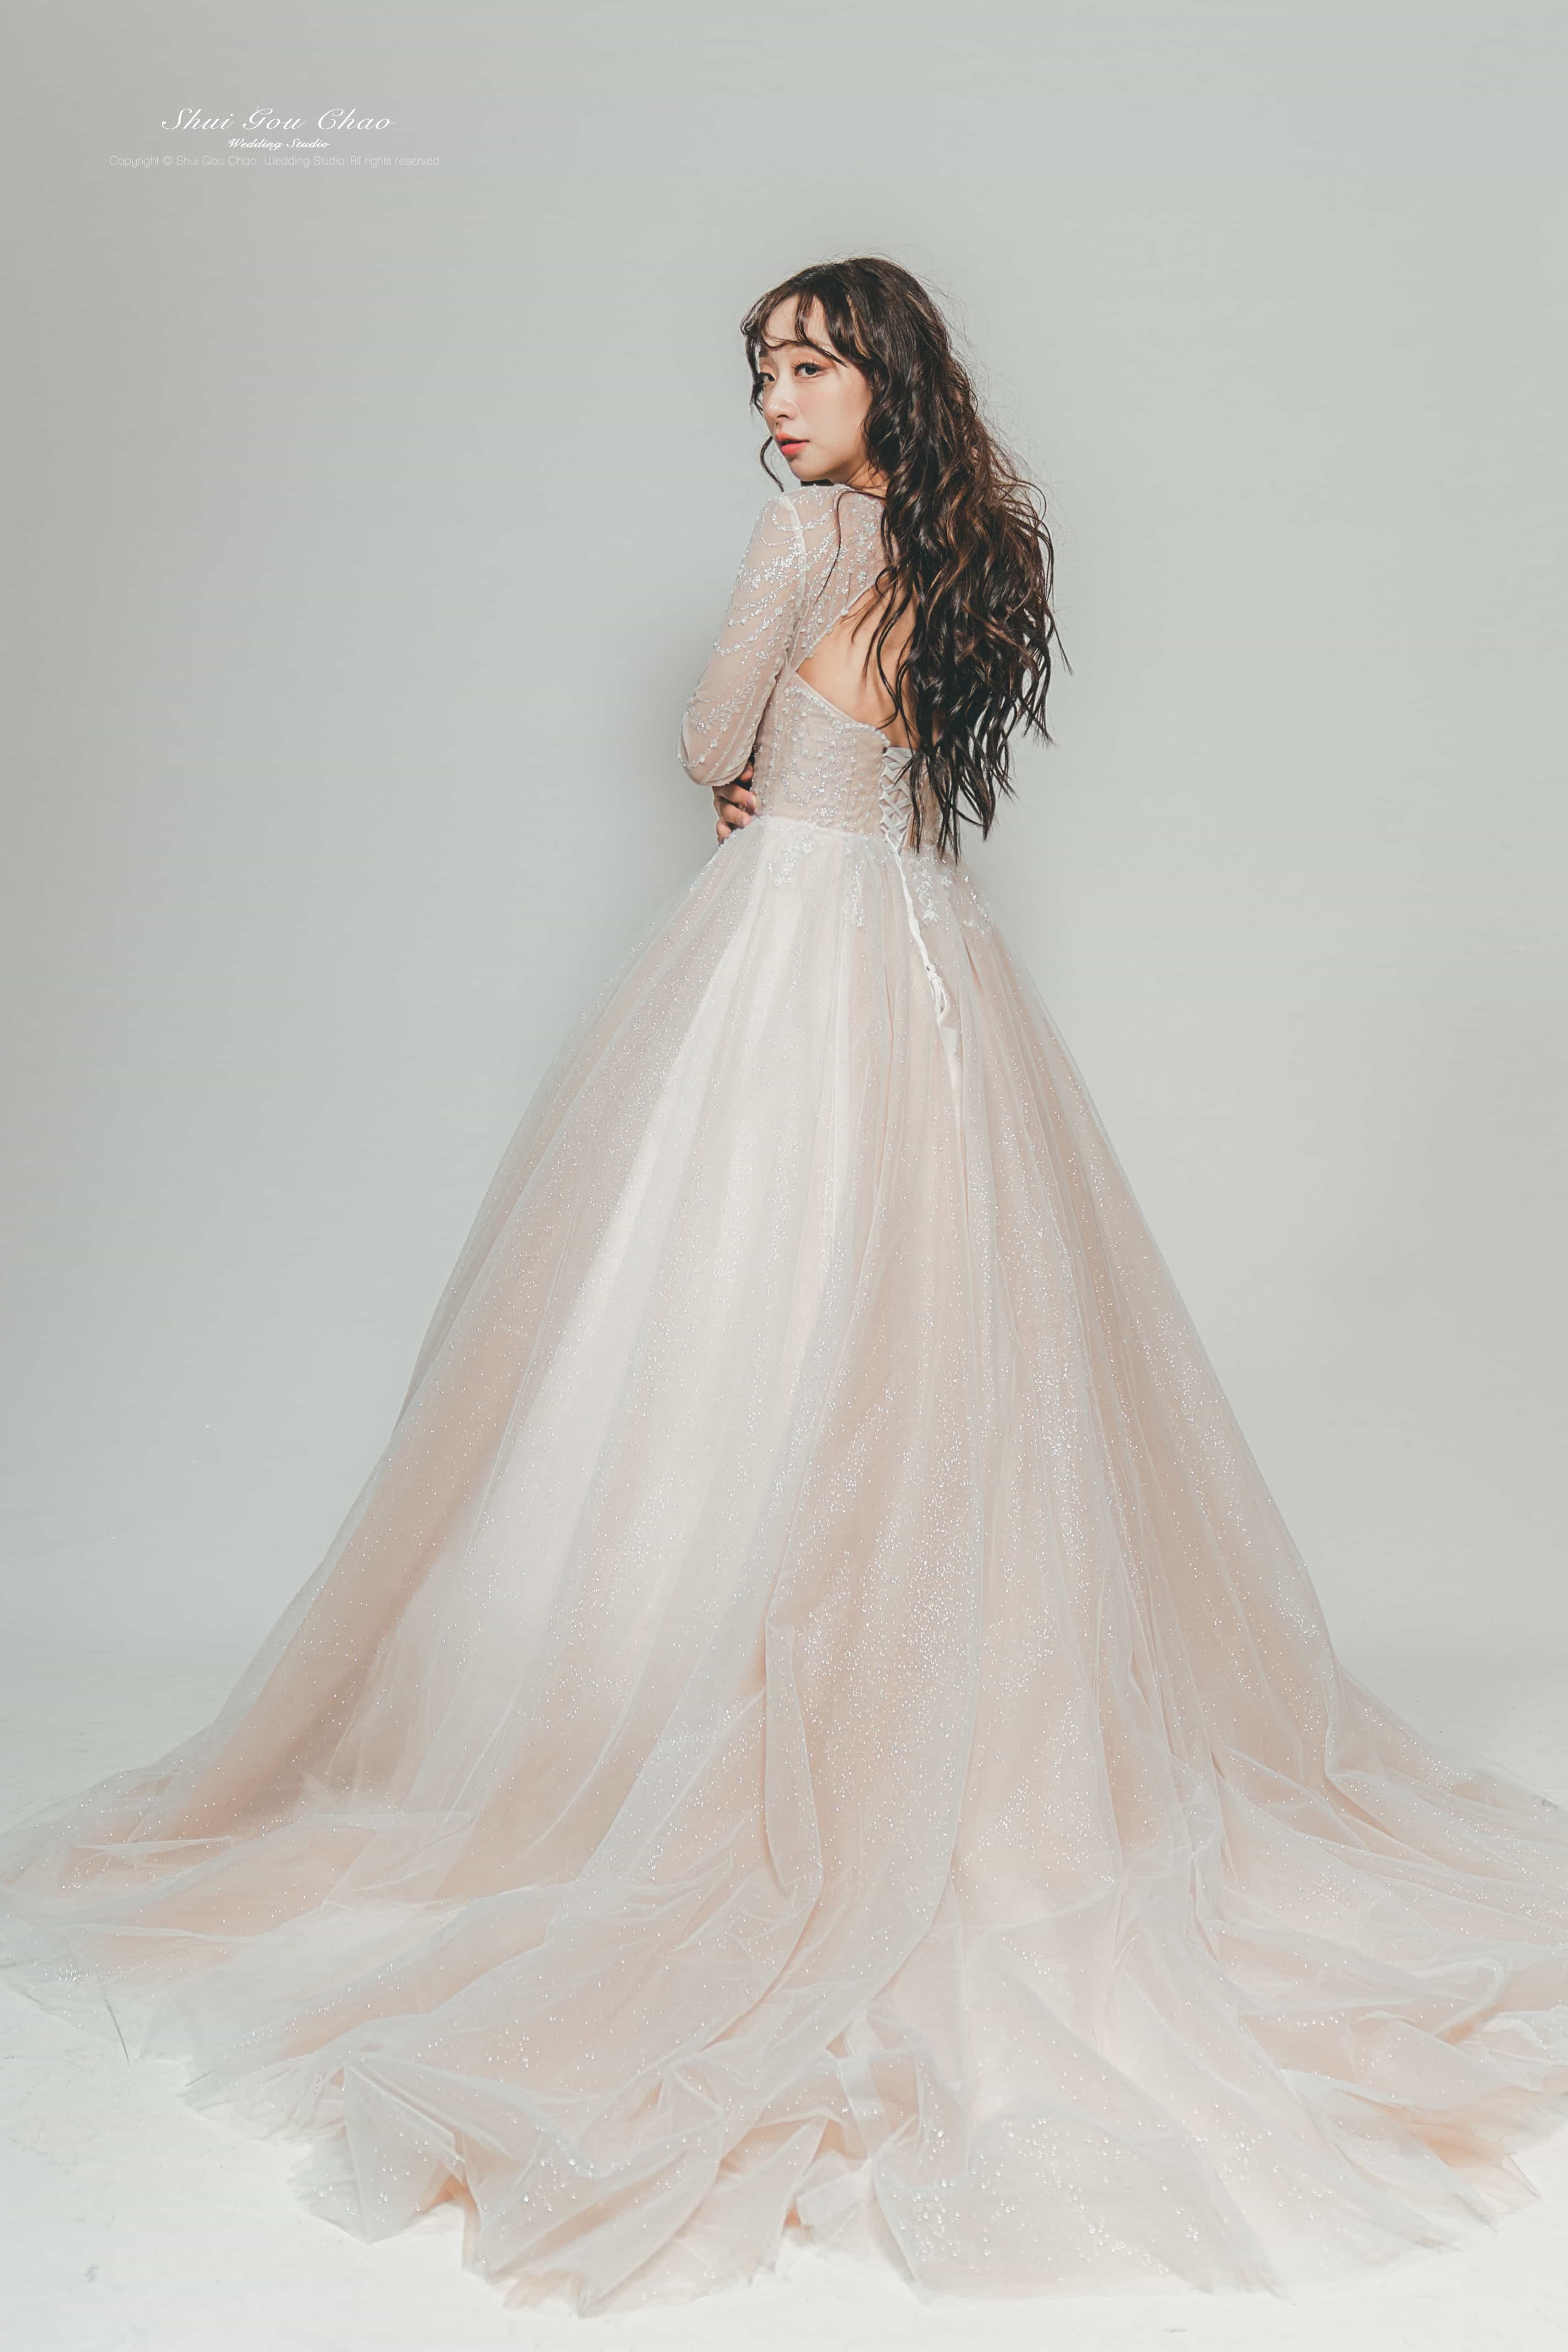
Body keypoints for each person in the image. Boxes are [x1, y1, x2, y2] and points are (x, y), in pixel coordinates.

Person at [3, 256, 1567, 2318]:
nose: (776, 402)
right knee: (929, 1352)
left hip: (785, 954)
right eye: (762, 371)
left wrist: (729, 769)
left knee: (714, 1325)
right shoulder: (977, 552)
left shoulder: (802, 542)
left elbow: (707, 732)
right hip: (926, 963)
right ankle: (934, 1727)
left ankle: (662, 1722)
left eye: (808, 366)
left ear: (880, 377)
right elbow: (912, 763)